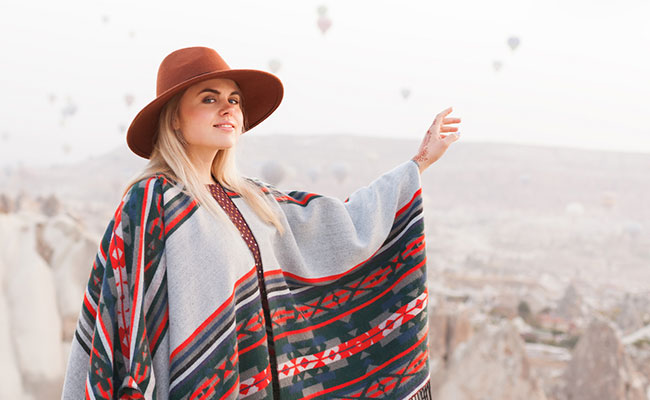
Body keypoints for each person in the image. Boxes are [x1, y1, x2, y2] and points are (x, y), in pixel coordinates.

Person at [61, 46, 461, 399]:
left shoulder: (253, 197)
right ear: (175, 119)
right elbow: (126, 317)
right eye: (209, 98)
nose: (228, 108)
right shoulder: (151, 201)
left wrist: (419, 163)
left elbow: (337, 226)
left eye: (234, 99)